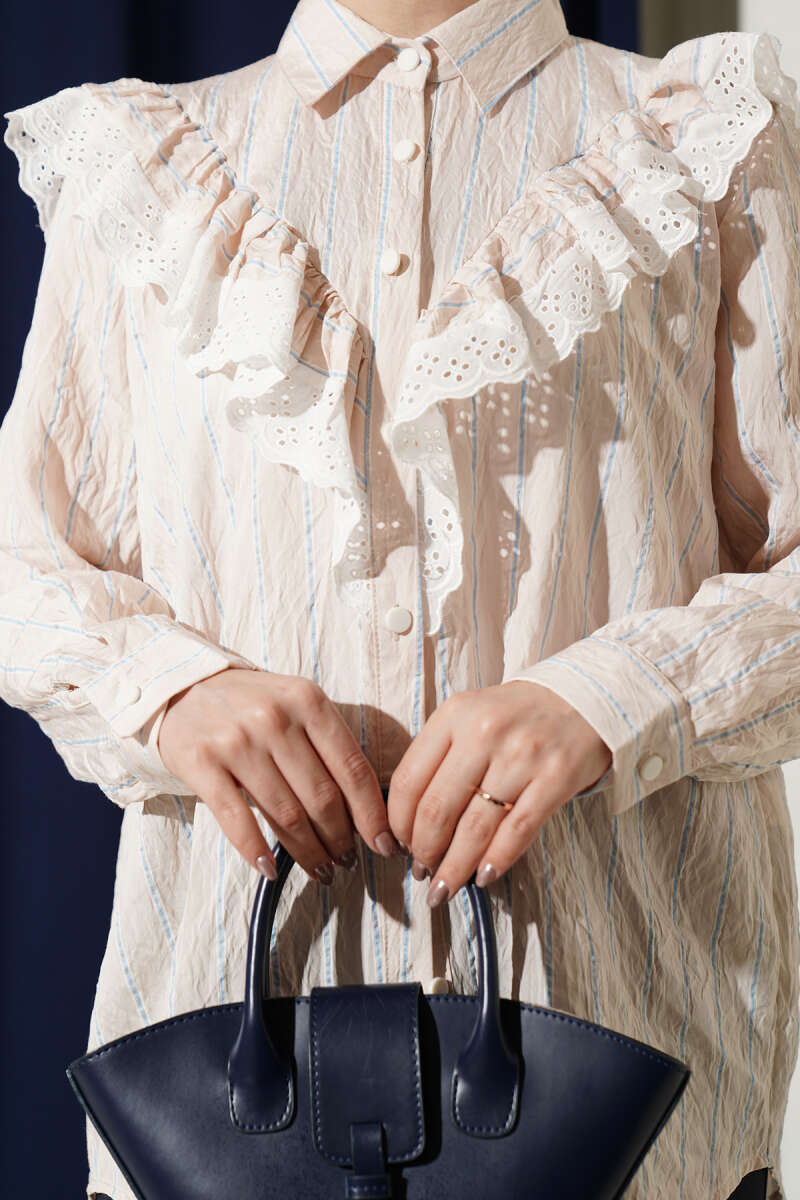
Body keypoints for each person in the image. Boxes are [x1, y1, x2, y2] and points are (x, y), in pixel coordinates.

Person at [2, 0, 799, 1195]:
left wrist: (615, 694)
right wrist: (174, 690)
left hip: (640, 1089)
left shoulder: (700, 137)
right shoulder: (143, 164)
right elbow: (22, 560)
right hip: (209, 1115)